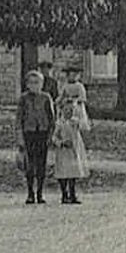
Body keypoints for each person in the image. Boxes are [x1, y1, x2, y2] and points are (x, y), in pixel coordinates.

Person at [17, 70, 56, 204]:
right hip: (29, 132)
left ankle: (40, 193)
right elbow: (19, 119)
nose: (34, 85)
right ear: (27, 84)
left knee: (41, 164)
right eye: (31, 83)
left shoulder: (46, 97)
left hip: (43, 133)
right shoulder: (23, 98)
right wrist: (20, 138)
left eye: (37, 82)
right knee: (29, 164)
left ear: (42, 84)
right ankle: (30, 193)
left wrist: (51, 136)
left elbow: (52, 118)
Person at [51, 79, 91, 203]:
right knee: (63, 172)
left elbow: (85, 126)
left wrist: (78, 117)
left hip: (74, 150)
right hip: (63, 151)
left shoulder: (75, 122)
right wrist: (60, 143)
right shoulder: (59, 123)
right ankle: (64, 194)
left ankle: (73, 194)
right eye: (66, 110)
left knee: (73, 171)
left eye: (70, 111)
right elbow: (54, 137)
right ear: (62, 111)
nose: (68, 113)